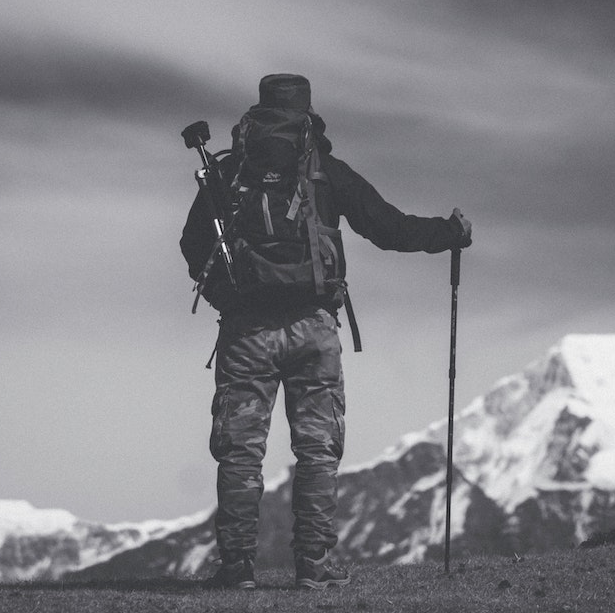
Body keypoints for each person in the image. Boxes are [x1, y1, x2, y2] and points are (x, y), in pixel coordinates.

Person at [180, 74, 472, 590]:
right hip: (314, 329)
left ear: (259, 109)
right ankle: (313, 568)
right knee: (316, 450)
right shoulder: (324, 173)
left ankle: (236, 569)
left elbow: (191, 244)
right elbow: (390, 228)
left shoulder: (227, 171)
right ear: (308, 112)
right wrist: (449, 233)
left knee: (241, 451)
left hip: (247, 331)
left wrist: (232, 300)